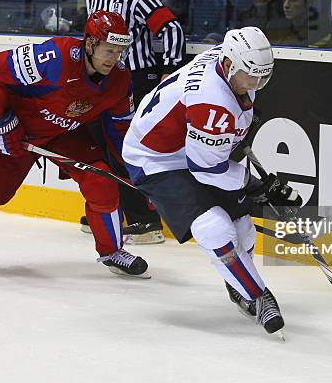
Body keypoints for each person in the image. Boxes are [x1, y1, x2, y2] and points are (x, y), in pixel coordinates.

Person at [122, 27, 302, 335]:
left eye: (263, 77)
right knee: (214, 227)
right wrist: (257, 186)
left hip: (189, 145)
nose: (256, 84)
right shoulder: (212, 103)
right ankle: (257, 296)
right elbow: (207, 170)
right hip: (155, 158)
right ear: (230, 66)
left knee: (243, 229)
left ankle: (238, 283)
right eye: (251, 76)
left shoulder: (228, 61)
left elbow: (215, 147)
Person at [0, 11, 150, 279]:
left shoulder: (120, 80)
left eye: (119, 52)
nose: (114, 59)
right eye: (109, 51)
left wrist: (140, 175)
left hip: (62, 133)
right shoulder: (54, 58)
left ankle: (111, 251)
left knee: (102, 181)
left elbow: (120, 130)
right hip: (13, 132)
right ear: (89, 44)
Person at [81, 0, 186, 244]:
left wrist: (169, 69)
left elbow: (171, 28)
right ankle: (110, 210)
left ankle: (145, 220)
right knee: (101, 145)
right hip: (109, 80)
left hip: (138, 80)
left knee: (127, 149)